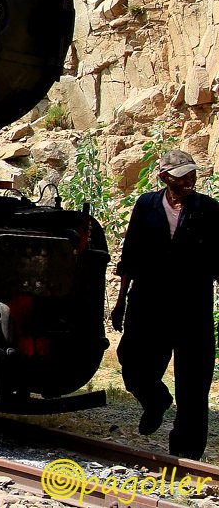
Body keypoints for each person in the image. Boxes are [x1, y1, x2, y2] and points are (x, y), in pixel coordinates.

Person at [111, 149, 219, 459]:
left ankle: (187, 457)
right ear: (164, 178)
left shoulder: (209, 210)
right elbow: (129, 256)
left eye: (192, 175)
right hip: (148, 303)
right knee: (132, 362)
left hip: (192, 307)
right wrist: (120, 302)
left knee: (194, 383)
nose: (189, 180)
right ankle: (155, 400)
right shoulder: (146, 205)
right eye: (181, 176)